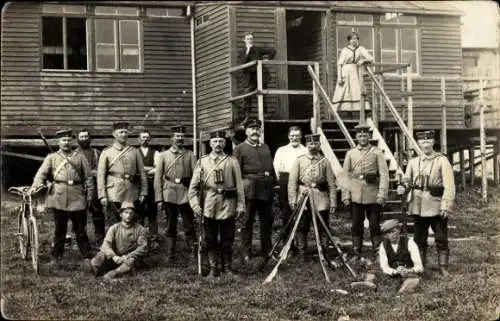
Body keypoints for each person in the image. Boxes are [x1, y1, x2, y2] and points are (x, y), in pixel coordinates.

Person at [29, 129, 94, 267]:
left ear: (72, 142)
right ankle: (56, 256)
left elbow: (88, 178)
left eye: (69, 140)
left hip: (77, 196)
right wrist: (35, 186)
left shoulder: (80, 157)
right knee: (60, 230)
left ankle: (86, 255)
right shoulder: (52, 157)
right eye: (63, 140)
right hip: (58, 196)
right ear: (58, 142)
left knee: (80, 229)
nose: (66, 143)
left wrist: (90, 195)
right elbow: (41, 174)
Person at [397, 130, 455, 276]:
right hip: (418, 205)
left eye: (429, 141)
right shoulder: (413, 162)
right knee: (419, 238)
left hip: (436, 205)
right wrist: (402, 187)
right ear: (418, 144)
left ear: (433, 142)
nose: (426, 144)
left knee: (441, 237)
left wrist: (446, 205)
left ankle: (443, 267)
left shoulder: (442, 160)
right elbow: (407, 180)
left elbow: (449, 185)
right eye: (423, 142)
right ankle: (420, 265)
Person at [188, 131, 246, 278]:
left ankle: (227, 266)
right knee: (210, 238)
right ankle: (214, 267)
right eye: (214, 141)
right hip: (209, 205)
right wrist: (195, 205)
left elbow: (239, 186)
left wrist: (240, 205)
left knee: (228, 238)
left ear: (225, 143)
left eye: (220, 141)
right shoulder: (202, 161)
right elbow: (193, 187)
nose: (218, 144)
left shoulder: (232, 161)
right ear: (210, 144)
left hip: (228, 203)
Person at [342, 123, 389, 260]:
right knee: (356, 223)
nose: (363, 137)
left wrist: (382, 194)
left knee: (374, 222)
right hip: (356, 194)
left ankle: (377, 248)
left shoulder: (377, 152)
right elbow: (345, 175)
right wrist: (345, 195)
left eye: (365, 135)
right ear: (356, 137)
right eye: (360, 135)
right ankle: (357, 248)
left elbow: (384, 174)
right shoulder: (350, 153)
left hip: (373, 193)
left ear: (369, 136)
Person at [233, 118, 277, 264]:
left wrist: (273, 184)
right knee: (247, 222)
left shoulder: (265, 147)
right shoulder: (240, 149)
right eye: (252, 129)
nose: (255, 131)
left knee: (267, 221)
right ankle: (246, 252)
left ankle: (267, 249)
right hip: (249, 191)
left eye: (257, 129)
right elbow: (236, 172)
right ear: (246, 131)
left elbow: (271, 168)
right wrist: (239, 190)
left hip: (265, 189)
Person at [288, 134, 337, 259]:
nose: (313, 146)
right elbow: (292, 182)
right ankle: (302, 252)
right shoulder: (299, 160)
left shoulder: (325, 161)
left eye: (316, 144)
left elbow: (332, 183)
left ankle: (323, 251)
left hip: (321, 198)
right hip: (303, 197)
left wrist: (333, 202)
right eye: (310, 144)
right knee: (302, 226)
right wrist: (292, 199)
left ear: (319, 145)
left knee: (323, 226)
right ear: (306, 145)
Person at [154, 125, 197, 261]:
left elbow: (196, 177)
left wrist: (195, 196)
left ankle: (194, 253)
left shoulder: (190, 155)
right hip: (169, 193)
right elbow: (158, 178)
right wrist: (159, 198)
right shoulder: (163, 155)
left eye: (181, 136)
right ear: (171, 138)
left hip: (186, 193)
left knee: (189, 224)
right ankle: (170, 253)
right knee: (170, 225)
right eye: (176, 136)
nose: (179, 139)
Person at [87, 202, 148, 280]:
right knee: (99, 256)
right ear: (120, 214)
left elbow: (143, 248)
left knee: (131, 261)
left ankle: (113, 274)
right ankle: (96, 274)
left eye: (131, 213)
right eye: (126, 213)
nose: (128, 215)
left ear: (134, 215)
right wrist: (113, 256)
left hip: (129, 259)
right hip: (115, 258)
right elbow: (105, 245)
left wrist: (127, 256)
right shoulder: (114, 228)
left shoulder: (140, 229)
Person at [238, 31, 277, 125]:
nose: (250, 40)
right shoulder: (242, 52)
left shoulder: (258, 49)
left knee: (261, 94)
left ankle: (265, 114)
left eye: (251, 39)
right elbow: (243, 61)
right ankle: (247, 116)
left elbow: (273, 51)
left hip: (260, 76)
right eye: (248, 39)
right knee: (247, 95)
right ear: (244, 40)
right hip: (249, 77)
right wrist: (247, 50)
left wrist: (267, 59)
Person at [273, 126, 307, 229]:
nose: (294, 138)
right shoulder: (281, 150)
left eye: (297, 136)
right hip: (285, 180)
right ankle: (288, 242)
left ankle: (301, 240)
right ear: (288, 137)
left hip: (301, 180)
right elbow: (276, 167)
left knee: (302, 208)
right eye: (292, 136)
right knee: (286, 210)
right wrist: (280, 183)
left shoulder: (305, 150)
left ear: (301, 136)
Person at [75, 129, 105, 247]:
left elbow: (102, 170)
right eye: (81, 137)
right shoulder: (74, 154)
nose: (84, 139)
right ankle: (81, 241)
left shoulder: (97, 153)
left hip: (95, 187)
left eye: (86, 136)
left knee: (98, 214)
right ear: (78, 139)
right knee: (79, 215)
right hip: (79, 188)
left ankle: (100, 240)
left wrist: (95, 174)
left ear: (90, 138)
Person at [332, 31, 374, 113]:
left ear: (358, 40)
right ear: (349, 41)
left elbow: (371, 58)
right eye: (352, 39)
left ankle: (360, 111)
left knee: (356, 90)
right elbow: (340, 64)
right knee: (344, 91)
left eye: (356, 39)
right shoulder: (345, 50)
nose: (354, 41)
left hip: (356, 72)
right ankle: (335, 111)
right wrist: (339, 77)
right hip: (346, 72)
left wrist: (363, 60)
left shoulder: (361, 49)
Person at [378, 219, 423, 293]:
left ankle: (404, 287)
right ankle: (370, 284)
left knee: (413, 279)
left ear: (399, 230)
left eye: (393, 231)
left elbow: (419, 267)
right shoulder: (383, 245)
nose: (391, 235)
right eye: (388, 233)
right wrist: (395, 271)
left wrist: (409, 270)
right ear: (385, 235)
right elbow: (384, 267)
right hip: (392, 274)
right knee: (378, 275)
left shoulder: (409, 242)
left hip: (408, 273)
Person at [137, 129, 160, 250]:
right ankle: (140, 239)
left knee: (152, 213)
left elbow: (158, 169)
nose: (145, 139)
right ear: (138, 139)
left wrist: (142, 170)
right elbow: (134, 169)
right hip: (138, 187)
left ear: (150, 139)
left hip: (152, 186)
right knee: (139, 212)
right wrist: (148, 170)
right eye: (143, 137)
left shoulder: (155, 152)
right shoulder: (135, 152)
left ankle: (154, 238)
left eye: (147, 137)